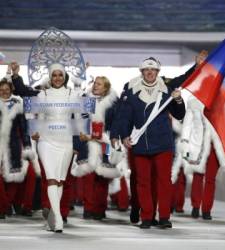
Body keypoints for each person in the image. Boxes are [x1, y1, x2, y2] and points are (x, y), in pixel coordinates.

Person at [112, 56, 201, 229]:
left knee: (163, 181)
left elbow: (180, 114)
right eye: (146, 69)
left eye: (153, 69)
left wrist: (178, 99)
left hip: (163, 143)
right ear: (142, 72)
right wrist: (122, 136)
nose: (150, 72)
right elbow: (124, 116)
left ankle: (165, 217)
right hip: (141, 144)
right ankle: (146, 217)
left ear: (158, 72)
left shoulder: (167, 89)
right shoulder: (131, 90)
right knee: (143, 182)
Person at [31, 63, 76, 233]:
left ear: (64, 76)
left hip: (66, 140)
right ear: (50, 77)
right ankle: (58, 219)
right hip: (46, 140)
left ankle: (53, 217)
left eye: (60, 75)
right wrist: (35, 132)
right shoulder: (42, 94)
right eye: (54, 75)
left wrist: (81, 141)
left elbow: (81, 118)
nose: (57, 78)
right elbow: (39, 118)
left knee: (59, 181)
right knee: (51, 179)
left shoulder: (73, 94)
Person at [71, 76, 121, 220]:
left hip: (106, 144)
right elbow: (78, 124)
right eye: (94, 83)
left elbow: (117, 124)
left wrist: (111, 139)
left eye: (99, 84)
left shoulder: (114, 104)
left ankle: (100, 209)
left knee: (103, 177)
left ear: (106, 87)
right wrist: (77, 144)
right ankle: (88, 209)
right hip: (88, 143)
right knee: (89, 177)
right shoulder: (85, 101)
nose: (95, 86)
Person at [181, 96, 225, 220]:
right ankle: (195, 206)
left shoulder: (224, 102)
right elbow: (187, 125)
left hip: (216, 146)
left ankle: (206, 209)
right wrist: (185, 143)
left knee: (210, 179)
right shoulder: (193, 103)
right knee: (198, 175)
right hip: (198, 145)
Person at [0, 78, 34, 216]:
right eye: (1, 90)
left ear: (11, 90)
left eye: (6, 89)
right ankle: (3, 207)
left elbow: (24, 128)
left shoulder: (18, 103)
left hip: (14, 144)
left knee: (16, 175)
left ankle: (7, 205)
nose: (4, 92)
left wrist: (27, 147)